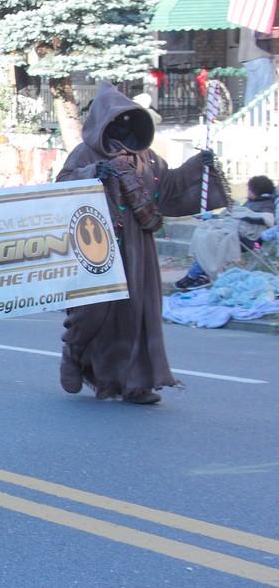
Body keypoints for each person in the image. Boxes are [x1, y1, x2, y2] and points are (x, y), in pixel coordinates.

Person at [55, 82, 228, 405]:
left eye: (128, 120)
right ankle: (74, 355)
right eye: (116, 121)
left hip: (138, 248)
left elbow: (168, 189)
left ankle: (136, 383)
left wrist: (198, 167)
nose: (122, 127)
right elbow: (62, 187)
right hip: (97, 242)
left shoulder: (145, 156)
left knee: (138, 314)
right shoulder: (84, 153)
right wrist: (94, 171)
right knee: (93, 311)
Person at [175, 175, 276, 289]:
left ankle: (194, 275)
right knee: (204, 233)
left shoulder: (266, 205)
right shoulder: (250, 202)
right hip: (234, 230)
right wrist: (215, 216)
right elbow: (236, 213)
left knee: (211, 239)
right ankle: (202, 274)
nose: (247, 191)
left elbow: (266, 219)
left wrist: (243, 216)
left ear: (256, 191)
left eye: (249, 189)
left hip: (246, 237)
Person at [238, 27, 274, 125]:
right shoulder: (260, 15)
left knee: (252, 89)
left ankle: (251, 118)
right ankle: (260, 119)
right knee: (264, 89)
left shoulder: (248, 16)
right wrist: (271, 32)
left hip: (247, 56)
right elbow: (259, 35)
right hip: (259, 55)